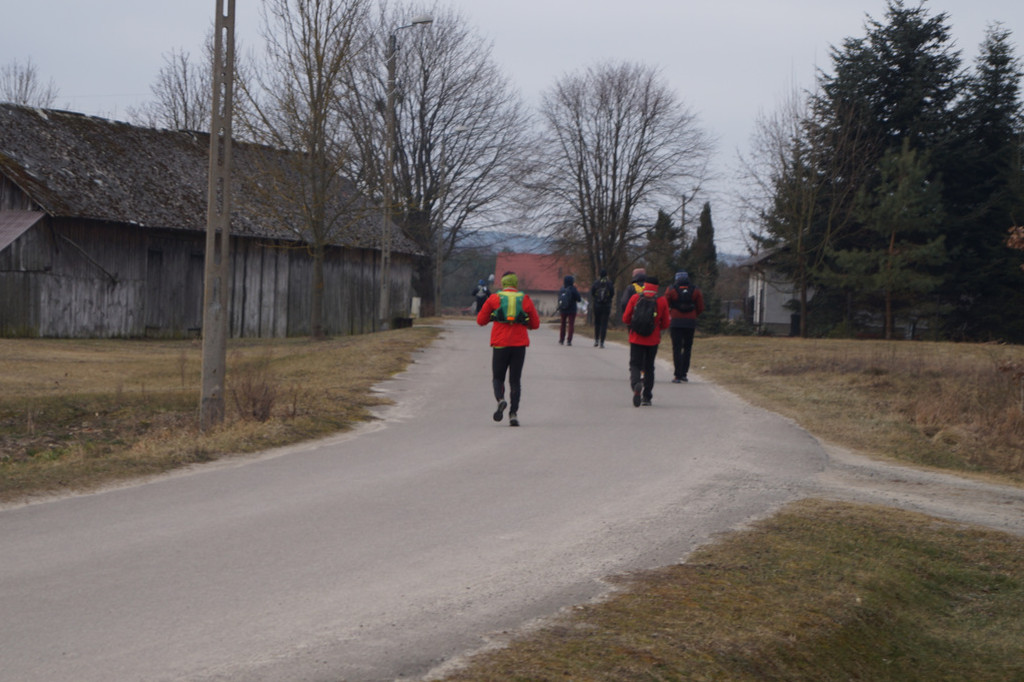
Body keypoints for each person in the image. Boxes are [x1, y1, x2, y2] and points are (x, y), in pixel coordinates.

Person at [477, 272, 540, 426]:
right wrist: (526, 324)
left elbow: (480, 320)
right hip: (519, 345)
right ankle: (513, 414)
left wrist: (493, 317)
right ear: (515, 283)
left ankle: (500, 399)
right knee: (515, 380)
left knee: (498, 377)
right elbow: (535, 324)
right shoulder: (524, 299)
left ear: (503, 283)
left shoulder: (494, 298)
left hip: (500, 343)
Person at [622, 274, 670, 407]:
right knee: (649, 367)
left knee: (635, 364)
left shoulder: (635, 298)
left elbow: (625, 318)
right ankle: (647, 397)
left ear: (645, 285)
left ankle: (636, 384)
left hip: (636, 338)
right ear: (657, 287)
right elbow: (666, 323)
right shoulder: (661, 301)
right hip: (652, 340)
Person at [664, 271, 705, 383]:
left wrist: (670, 314)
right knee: (687, 348)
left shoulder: (671, 289)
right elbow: (700, 307)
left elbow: (665, 304)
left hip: (676, 321)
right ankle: (684, 374)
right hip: (690, 322)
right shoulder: (695, 290)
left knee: (676, 348)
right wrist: (693, 314)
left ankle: (677, 375)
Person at [590, 268, 614, 348]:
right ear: (606, 275)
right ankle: (602, 342)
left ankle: (596, 339)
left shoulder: (596, 283)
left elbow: (592, 293)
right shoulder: (609, 283)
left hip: (597, 305)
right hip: (606, 306)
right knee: (604, 324)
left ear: (599, 275)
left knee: (597, 323)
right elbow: (612, 294)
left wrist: (596, 299)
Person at [556, 274, 582, 346]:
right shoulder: (573, 289)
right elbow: (579, 299)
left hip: (563, 309)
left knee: (563, 324)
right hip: (572, 309)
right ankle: (569, 340)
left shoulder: (562, 289)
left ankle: (561, 339)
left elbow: (559, 298)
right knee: (571, 324)